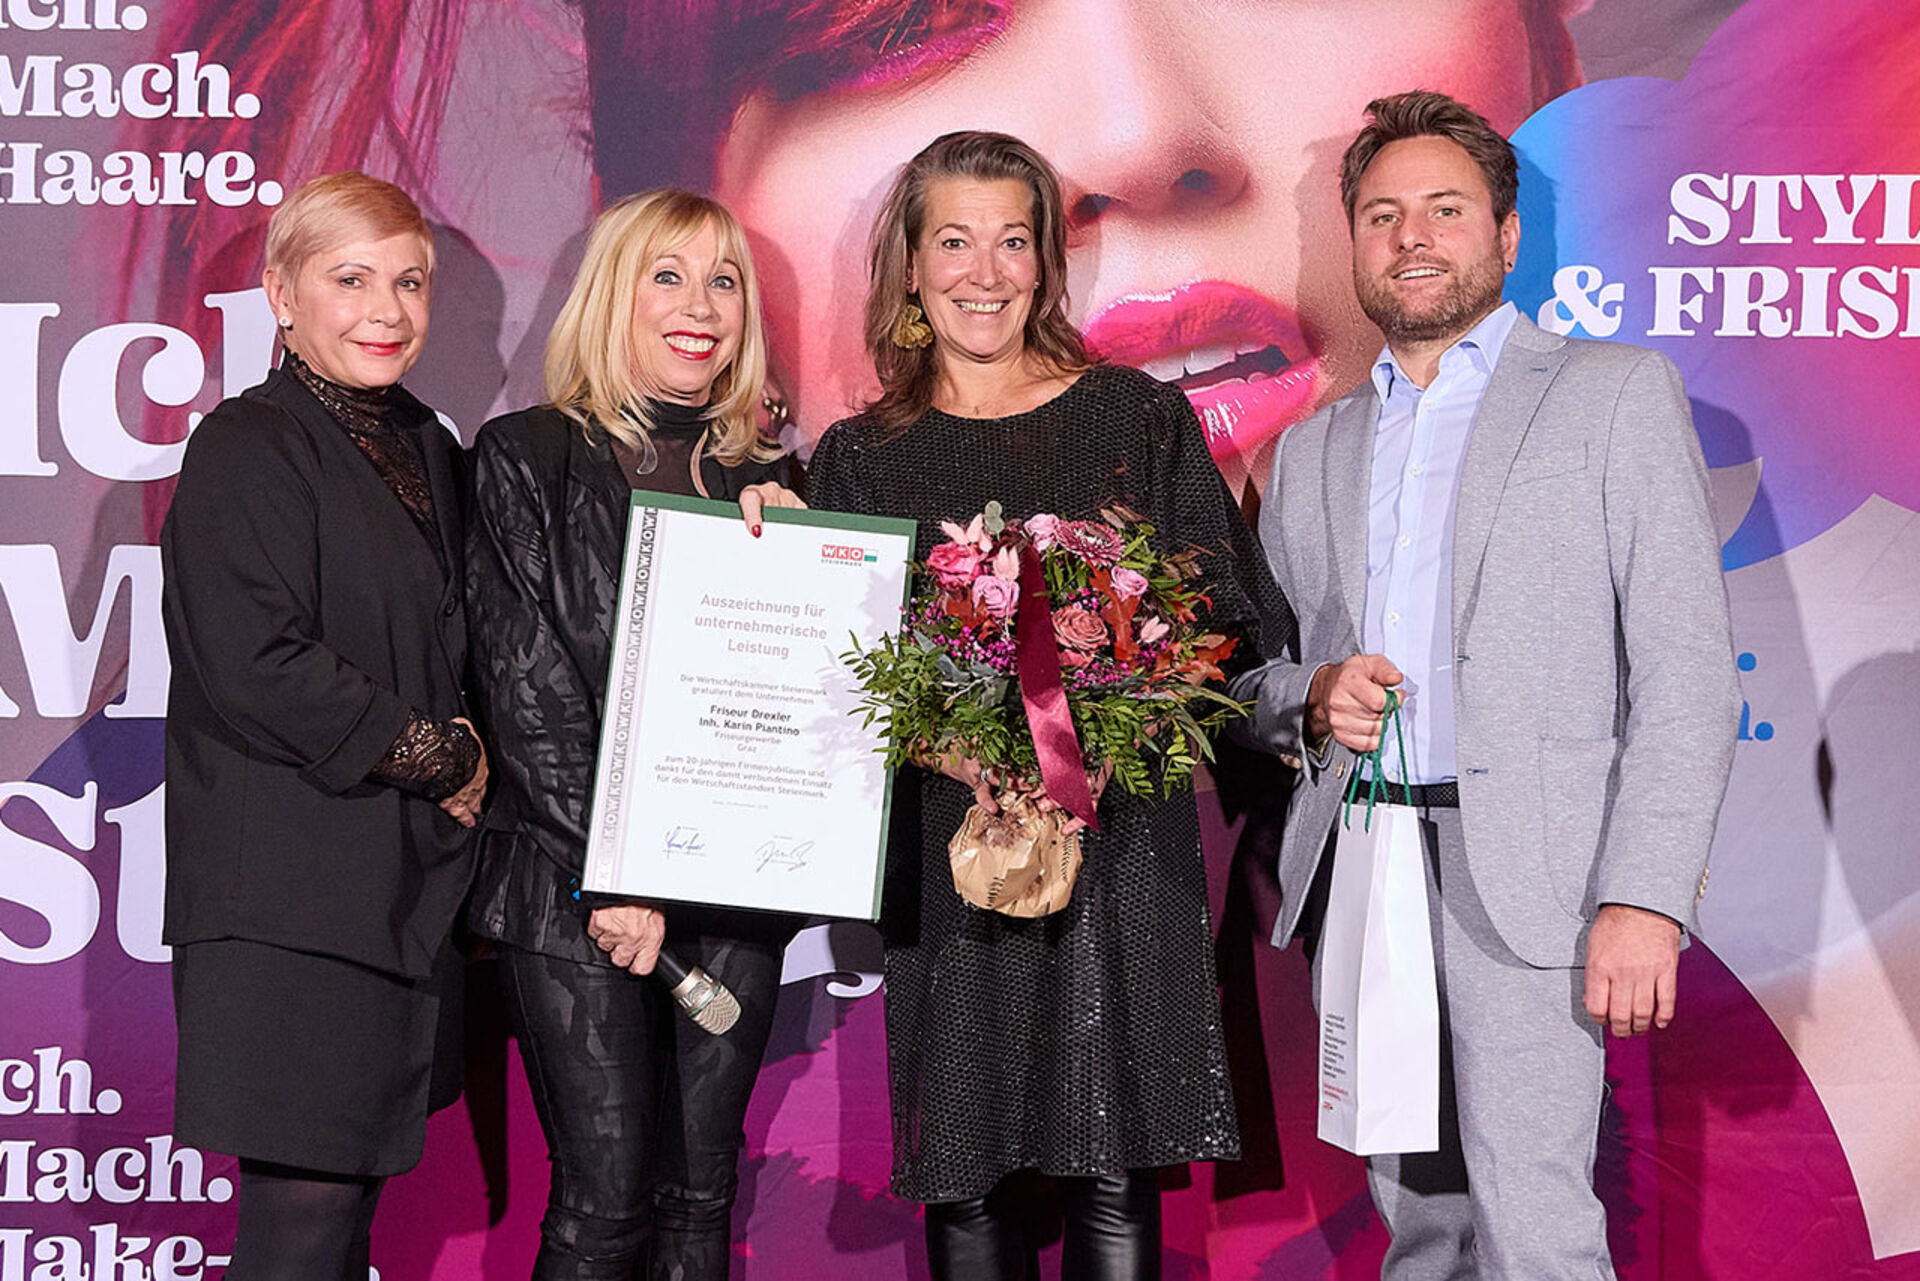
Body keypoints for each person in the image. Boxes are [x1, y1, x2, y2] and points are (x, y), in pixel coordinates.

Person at [1227, 91, 1741, 1278]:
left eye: (1444, 209)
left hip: (1537, 882)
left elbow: (1687, 670)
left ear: (1506, 237)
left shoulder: (1612, 394)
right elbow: (1253, 680)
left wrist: (1645, 898)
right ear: (1354, 243)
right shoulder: (1311, 450)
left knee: (1534, 1227)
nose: (1412, 237)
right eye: (1382, 215)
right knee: (1418, 1225)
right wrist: (1311, 694)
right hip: (1365, 868)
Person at [807, 130, 1295, 1280]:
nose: (985, 273)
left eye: (1013, 241)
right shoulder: (860, 458)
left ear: (1046, 264)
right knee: (965, 1177)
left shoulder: (1135, 419)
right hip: (953, 850)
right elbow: (837, 677)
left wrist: (1117, 724)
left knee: (1114, 1172)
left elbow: (1224, 622)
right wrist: (956, 754)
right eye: (954, 242)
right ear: (911, 267)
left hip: (1121, 846)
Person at [463, 188, 806, 1280]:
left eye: (723, 281)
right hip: (574, 884)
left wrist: (812, 566)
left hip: (736, 890)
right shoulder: (526, 456)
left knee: (700, 1198)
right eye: (668, 275)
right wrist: (618, 875)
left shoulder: (776, 481)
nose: (700, 306)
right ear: (613, 296)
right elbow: (526, 693)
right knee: (605, 1205)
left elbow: (808, 704)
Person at [160, 170, 486, 1277]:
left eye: (410, 281)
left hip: (395, 894)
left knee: (342, 1230)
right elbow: (256, 660)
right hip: (288, 899)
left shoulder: (429, 445)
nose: (386, 310)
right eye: (351, 280)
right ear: (281, 296)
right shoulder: (246, 443)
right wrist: (440, 756)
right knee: (301, 1230)